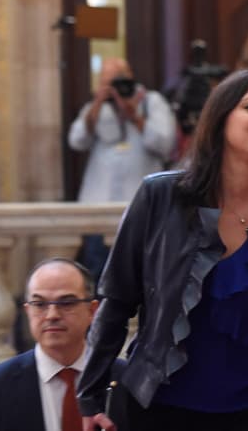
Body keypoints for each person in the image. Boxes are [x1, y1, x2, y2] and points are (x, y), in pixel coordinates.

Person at [78, 70, 248, 431]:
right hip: (156, 411)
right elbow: (116, 300)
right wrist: (91, 396)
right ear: (220, 119)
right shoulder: (160, 197)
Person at [0, 258, 126, 431]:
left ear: (92, 311)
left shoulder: (125, 380)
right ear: (28, 311)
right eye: (40, 304)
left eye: (66, 303)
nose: (52, 315)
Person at [68, 57, 176, 281]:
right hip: (98, 206)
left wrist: (134, 116)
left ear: (130, 77)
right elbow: (76, 141)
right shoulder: (95, 108)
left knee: (140, 274)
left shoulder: (150, 101)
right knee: (98, 274)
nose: (114, 89)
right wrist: (97, 105)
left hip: (140, 208)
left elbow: (166, 143)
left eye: (118, 81)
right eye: (107, 83)